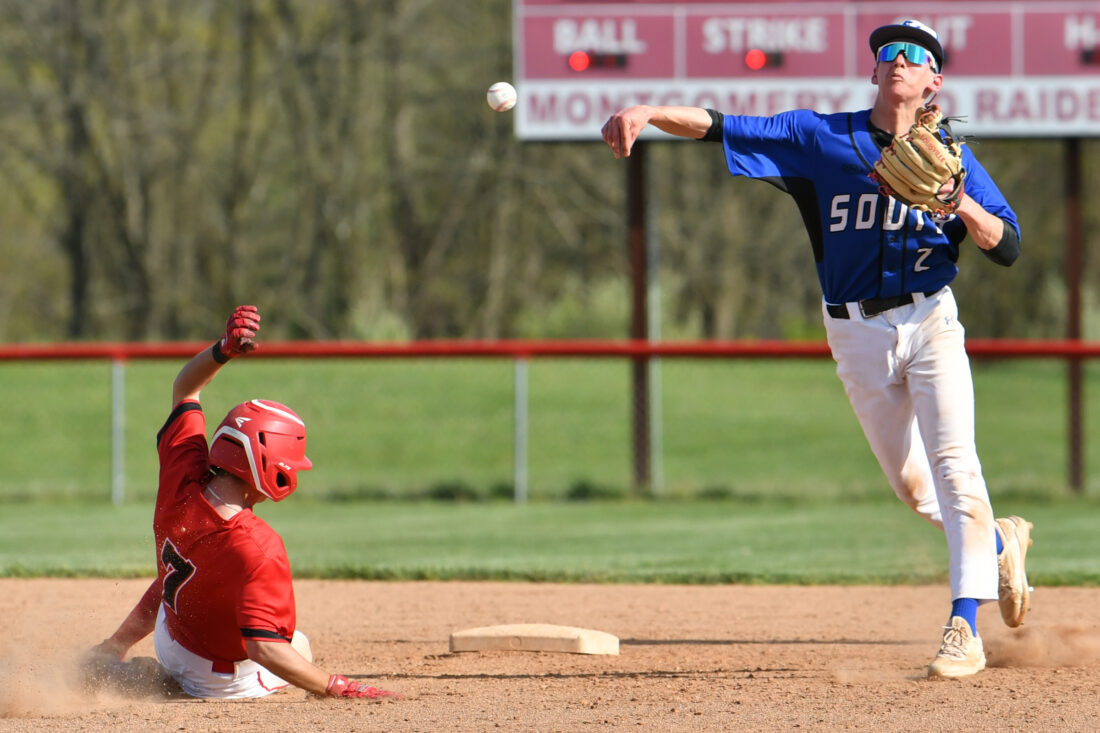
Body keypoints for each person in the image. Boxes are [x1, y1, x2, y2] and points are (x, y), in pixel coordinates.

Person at [602, 19, 1032, 679]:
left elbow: (1008, 246)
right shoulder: (819, 138)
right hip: (854, 331)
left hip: (931, 320)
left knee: (956, 469)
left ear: (934, 80)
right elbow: (722, 126)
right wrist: (649, 111)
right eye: (887, 51)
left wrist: (960, 203)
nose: (898, 59)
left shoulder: (955, 158)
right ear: (874, 71)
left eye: (914, 54)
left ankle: (963, 627)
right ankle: (998, 542)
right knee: (916, 489)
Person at [84, 305, 398, 700]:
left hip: (171, 635)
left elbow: (185, 388)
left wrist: (223, 350)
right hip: (217, 679)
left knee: (183, 574)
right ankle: (177, 685)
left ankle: (115, 649)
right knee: (298, 645)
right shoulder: (259, 547)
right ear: (269, 470)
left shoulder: (183, 476)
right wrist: (340, 687)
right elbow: (264, 648)